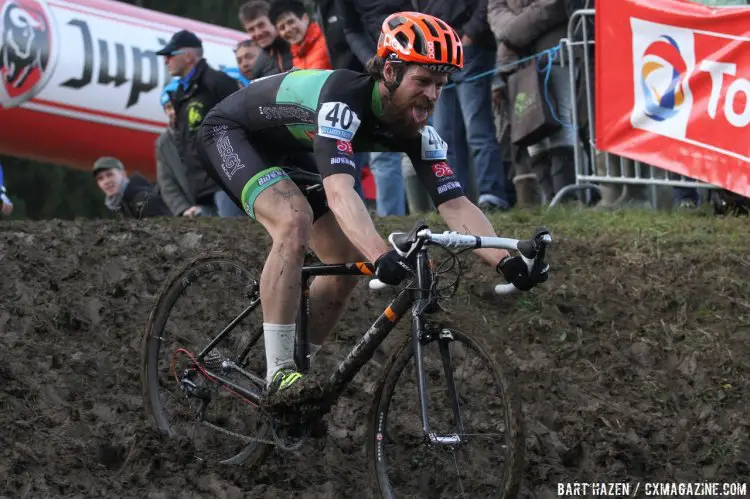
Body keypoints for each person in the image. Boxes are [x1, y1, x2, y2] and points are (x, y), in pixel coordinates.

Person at [198, 12, 549, 398]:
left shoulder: (418, 132)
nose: (432, 94)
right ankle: (279, 372)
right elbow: (340, 191)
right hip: (232, 134)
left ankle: (299, 374)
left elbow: (456, 205)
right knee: (293, 219)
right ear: (391, 71)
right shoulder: (344, 99)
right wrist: (381, 252)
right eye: (423, 81)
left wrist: (505, 259)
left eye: (440, 84)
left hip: (292, 146)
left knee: (344, 260)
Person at [156, 30, 245, 218]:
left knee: (236, 238)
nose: (166, 61)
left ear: (188, 56)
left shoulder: (218, 82)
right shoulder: (178, 94)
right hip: (199, 189)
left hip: (225, 180)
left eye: (170, 55)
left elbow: (241, 124)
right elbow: (183, 143)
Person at [92, 157, 171, 218]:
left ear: (123, 174)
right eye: (100, 178)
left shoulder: (144, 201)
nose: (106, 181)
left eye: (110, 175)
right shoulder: (116, 207)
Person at [269, 0, 332, 69]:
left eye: (291, 22)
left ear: (305, 18)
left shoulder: (327, 41)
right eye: (282, 28)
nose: (288, 30)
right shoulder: (295, 57)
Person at [239, 0, 294, 78]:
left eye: (261, 25)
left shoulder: (300, 46)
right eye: (251, 29)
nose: (258, 33)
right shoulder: (258, 69)